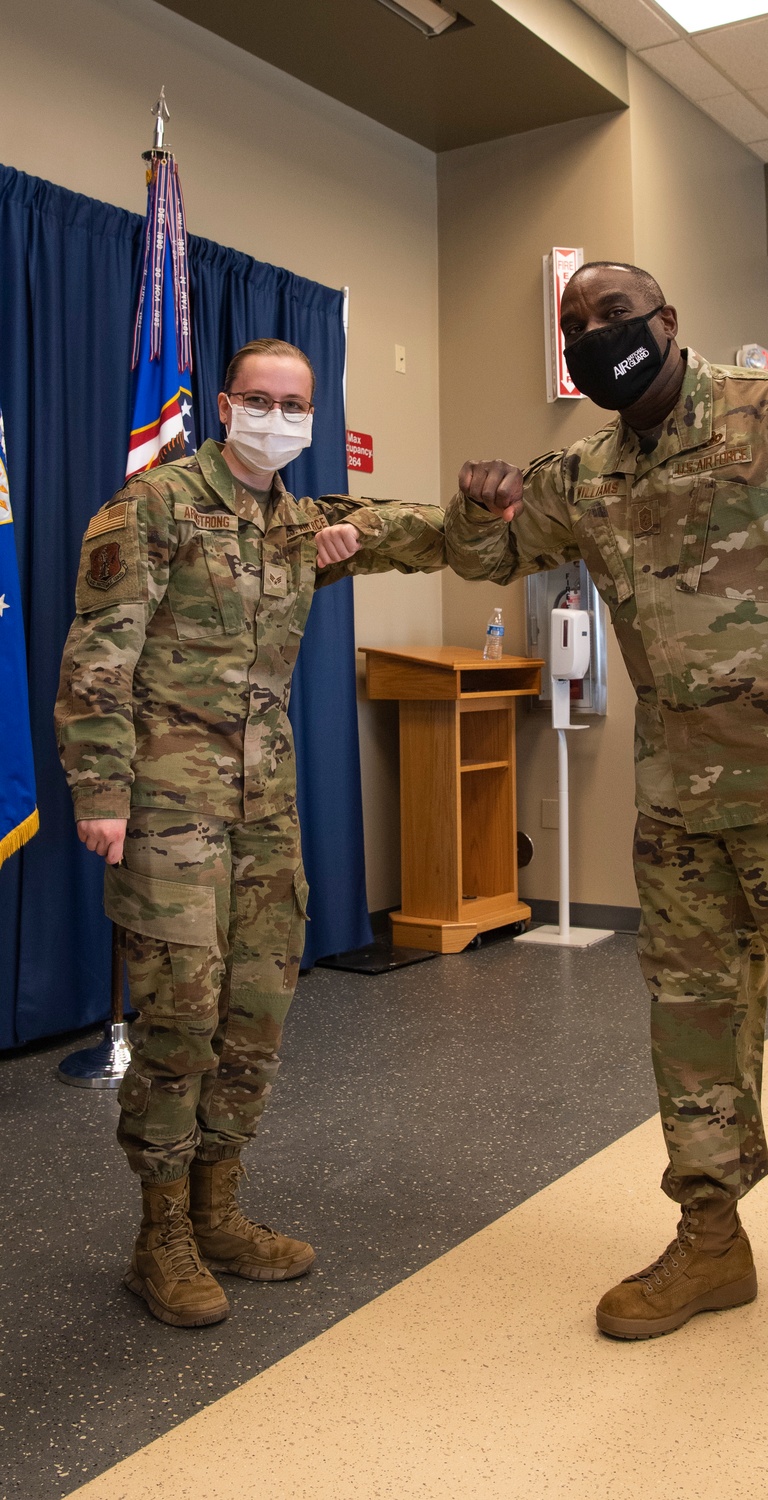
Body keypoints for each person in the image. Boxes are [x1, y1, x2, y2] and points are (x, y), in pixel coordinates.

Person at [445, 263, 768, 1387]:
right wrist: (480, 503)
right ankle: (712, 1240)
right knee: (692, 1034)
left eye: (613, 317)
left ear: (668, 323)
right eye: (573, 328)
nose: (593, 338)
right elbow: (497, 554)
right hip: (679, 812)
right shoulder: (584, 470)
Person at [56, 338, 445, 1328]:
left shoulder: (300, 524)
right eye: (261, 398)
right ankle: (161, 1237)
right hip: (168, 806)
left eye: (296, 402)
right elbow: (100, 654)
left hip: (266, 807)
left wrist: (506, 504)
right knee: (180, 1019)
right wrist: (100, 790)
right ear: (225, 404)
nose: (279, 415)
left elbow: (416, 529)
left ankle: (218, 1210)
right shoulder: (153, 506)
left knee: (258, 1015)